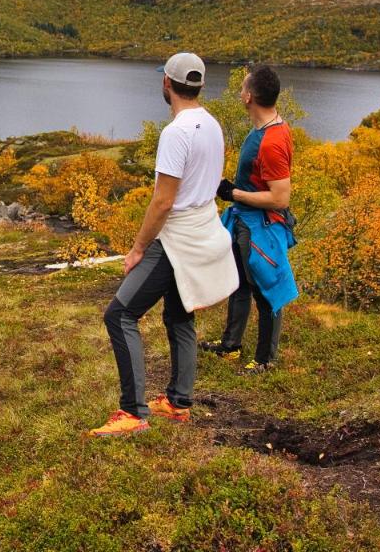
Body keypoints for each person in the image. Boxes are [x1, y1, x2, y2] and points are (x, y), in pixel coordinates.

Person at [90, 53, 238, 437]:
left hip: (175, 238)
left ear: (166, 85)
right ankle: (178, 402)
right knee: (178, 314)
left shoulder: (175, 133)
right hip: (203, 230)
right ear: (200, 85)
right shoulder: (211, 124)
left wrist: (138, 248)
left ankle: (132, 412)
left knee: (119, 315)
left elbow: (163, 201)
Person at [202, 64, 298, 373]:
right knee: (239, 283)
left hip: (262, 226)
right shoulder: (264, 130)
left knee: (265, 288)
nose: (240, 92)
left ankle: (266, 360)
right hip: (246, 220)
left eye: (243, 88)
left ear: (250, 97)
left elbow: (280, 197)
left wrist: (234, 194)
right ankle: (231, 346)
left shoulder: (271, 141)